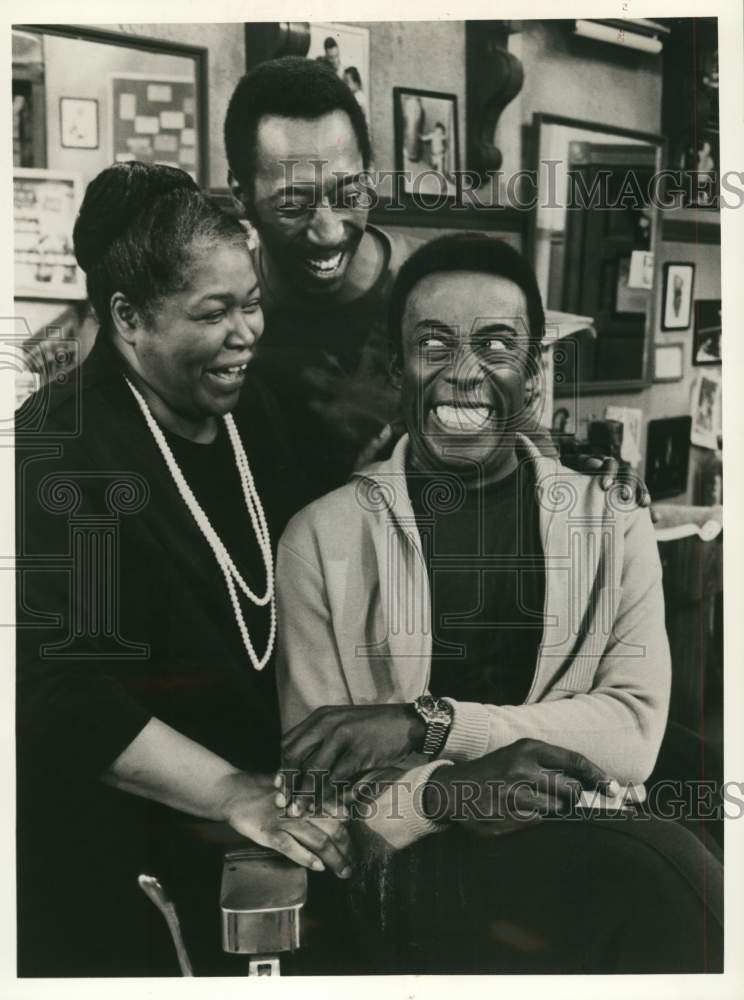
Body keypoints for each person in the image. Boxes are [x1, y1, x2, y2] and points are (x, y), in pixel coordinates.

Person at [274, 234, 723, 973]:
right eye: (433, 344)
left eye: (495, 345)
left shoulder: (611, 515)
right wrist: (447, 793)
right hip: (417, 859)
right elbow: (322, 795)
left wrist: (430, 728)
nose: (463, 373)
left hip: (587, 821)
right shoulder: (320, 540)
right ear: (397, 366)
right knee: (662, 878)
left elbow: (635, 733)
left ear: (536, 368)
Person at [15, 161, 352, 978]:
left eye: (253, 303)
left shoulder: (250, 409)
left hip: (255, 838)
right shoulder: (66, 447)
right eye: (215, 312)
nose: (247, 333)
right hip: (117, 867)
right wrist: (234, 792)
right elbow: (59, 691)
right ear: (128, 317)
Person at [224, 56, 649, 503]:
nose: (329, 231)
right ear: (241, 196)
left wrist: (574, 465)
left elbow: (510, 419)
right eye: (292, 205)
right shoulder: (224, 312)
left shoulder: (437, 286)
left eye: (349, 194)